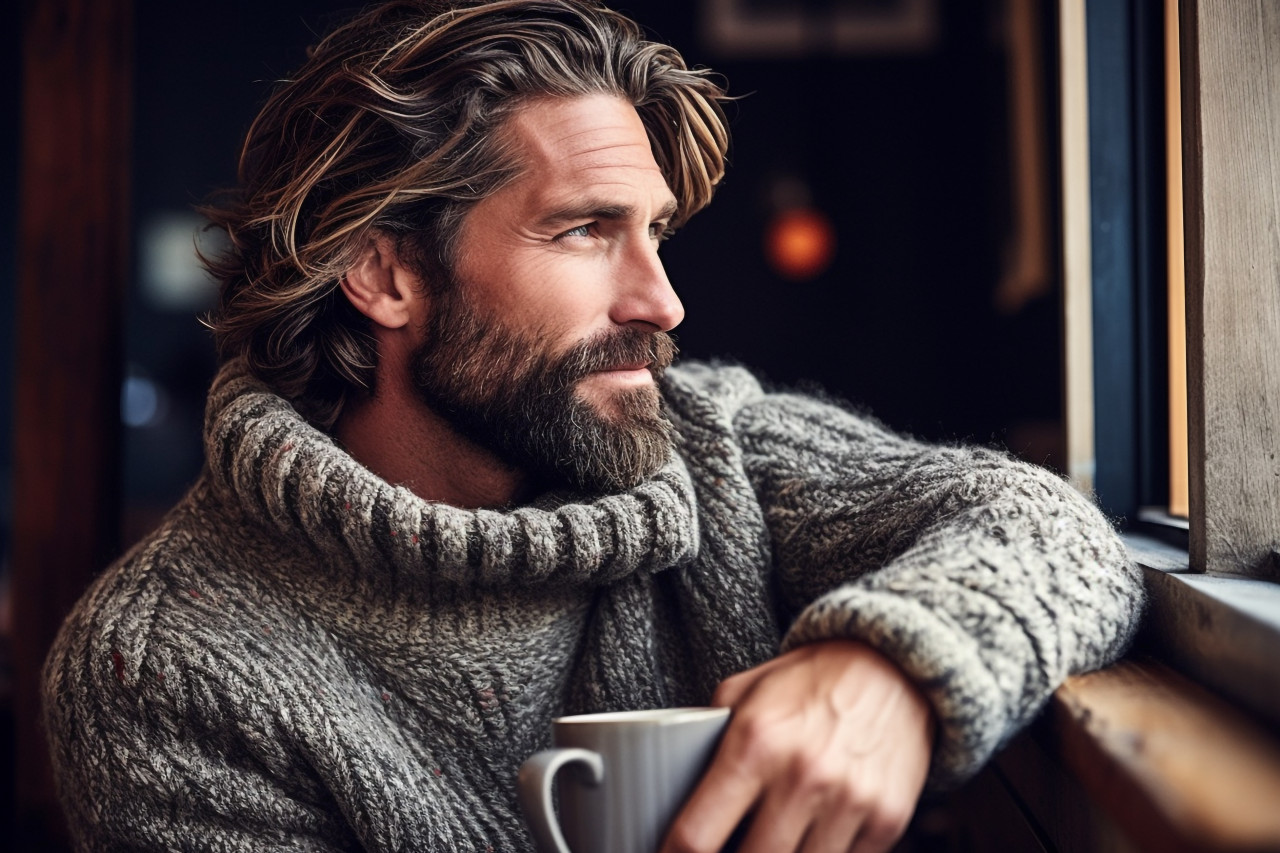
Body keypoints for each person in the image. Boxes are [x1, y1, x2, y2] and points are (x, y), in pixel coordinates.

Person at [42, 1, 1144, 851]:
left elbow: (1047, 526)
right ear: (383, 273)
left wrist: (894, 670)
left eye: (655, 232)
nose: (659, 301)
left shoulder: (710, 448)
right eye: (583, 231)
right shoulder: (164, 670)